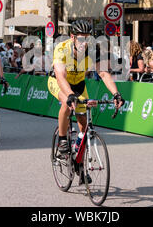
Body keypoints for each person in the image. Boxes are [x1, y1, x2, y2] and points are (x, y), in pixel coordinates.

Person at [47, 20, 124, 183]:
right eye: (81, 39)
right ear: (73, 37)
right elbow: (60, 76)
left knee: (84, 125)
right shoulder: (62, 49)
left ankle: (80, 165)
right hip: (59, 82)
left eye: (88, 38)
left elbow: (103, 73)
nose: (85, 42)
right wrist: (69, 95)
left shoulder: (94, 50)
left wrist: (116, 93)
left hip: (79, 85)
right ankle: (62, 141)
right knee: (67, 105)